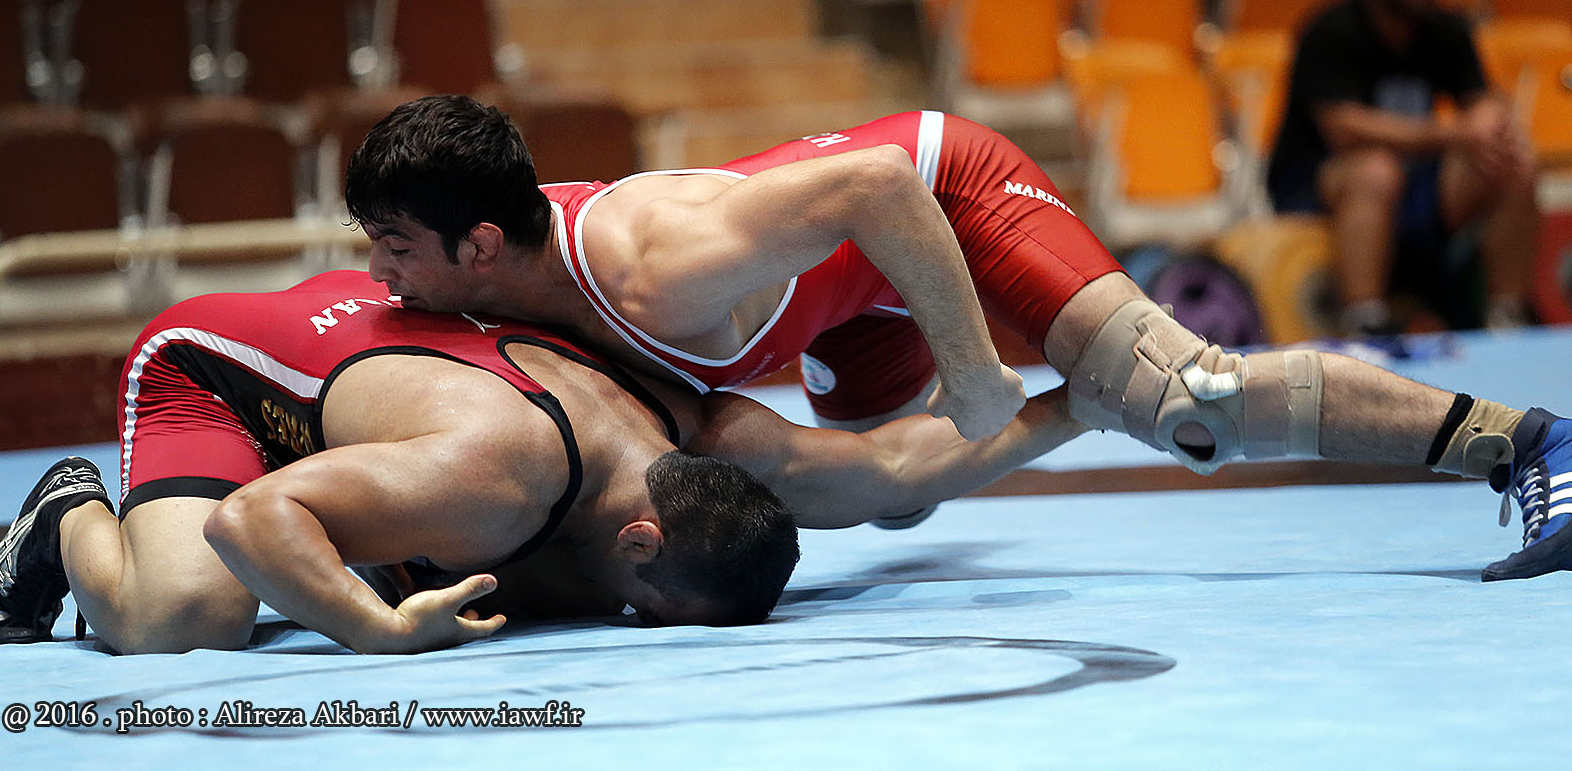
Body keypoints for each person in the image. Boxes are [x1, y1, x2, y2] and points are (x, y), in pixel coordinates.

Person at [344, 95, 1572, 579]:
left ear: (483, 244)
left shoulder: (656, 264)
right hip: (849, 293)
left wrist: (979, 373)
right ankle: (1079, 401)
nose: (378, 272)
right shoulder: (486, 277)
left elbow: (877, 184)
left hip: (939, 196)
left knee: (1186, 398)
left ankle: (1528, 443)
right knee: (892, 502)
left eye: (392, 245)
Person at [0, 270, 1087, 654]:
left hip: (387, 378)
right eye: (653, 610)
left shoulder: (718, 441)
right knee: (183, 619)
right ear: (644, 537)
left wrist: (1087, 404)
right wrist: (375, 629)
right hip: (223, 373)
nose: (636, 621)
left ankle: (383, 533)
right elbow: (253, 520)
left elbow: (896, 466)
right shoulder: (497, 475)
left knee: (519, 580)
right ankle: (67, 513)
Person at [1266, 0, 1539, 335]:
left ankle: (1507, 317)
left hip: (1414, 180)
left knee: (1513, 163)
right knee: (1376, 171)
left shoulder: (1444, 27)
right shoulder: (1331, 30)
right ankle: (1365, 321)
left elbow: (1481, 103)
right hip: (1317, 180)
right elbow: (1344, 129)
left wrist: (1489, 126)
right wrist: (1455, 132)